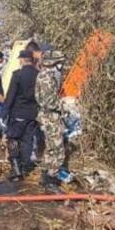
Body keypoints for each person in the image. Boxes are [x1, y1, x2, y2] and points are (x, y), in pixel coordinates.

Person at [1, 49, 40, 180]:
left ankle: (17, 171)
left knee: (12, 139)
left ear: (22, 60)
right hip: (33, 114)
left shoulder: (17, 75)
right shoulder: (38, 74)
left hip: (18, 113)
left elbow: (11, 95)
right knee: (27, 140)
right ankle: (25, 166)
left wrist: (4, 112)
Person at [36, 49, 71, 188]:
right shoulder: (47, 77)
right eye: (60, 63)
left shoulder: (45, 75)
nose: (62, 66)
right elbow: (48, 101)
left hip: (49, 116)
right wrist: (63, 106)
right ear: (55, 63)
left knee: (50, 147)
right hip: (51, 116)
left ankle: (46, 175)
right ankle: (50, 178)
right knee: (57, 148)